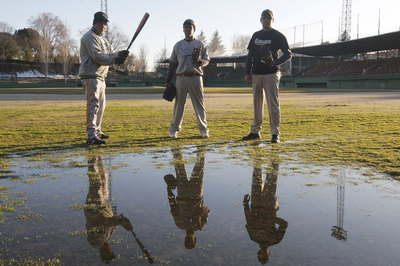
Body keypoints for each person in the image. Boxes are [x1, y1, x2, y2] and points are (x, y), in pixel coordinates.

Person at [79, 11, 129, 145]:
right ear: (95, 23)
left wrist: (120, 54)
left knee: (101, 106)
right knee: (93, 105)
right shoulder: (89, 37)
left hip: (101, 76)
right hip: (91, 75)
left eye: (105, 23)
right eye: (101, 23)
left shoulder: (103, 39)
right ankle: (91, 135)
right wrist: (115, 59)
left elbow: (111, 53)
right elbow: (97, 56)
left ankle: (97, 131)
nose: (103, 26)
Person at [242, 9, 292, 143]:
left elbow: (288, 54)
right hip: (257, 74)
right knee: (257, 104)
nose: (266, 20)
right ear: (260, 20)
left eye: (269, 18)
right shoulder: (256, 35)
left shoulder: (277, 35)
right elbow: (250, 56)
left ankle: (275, 133)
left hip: (271, 73)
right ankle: (255, 132)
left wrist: (276, 62)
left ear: (272, 20)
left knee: (273, 104)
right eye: (264, 18)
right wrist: (247, 72)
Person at [84, 154, 133, 263]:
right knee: (104, 177)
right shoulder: (108, 237)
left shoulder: (95, 242)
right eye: (111, 253)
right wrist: (122, 220)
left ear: (102, 254)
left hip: (95, 207)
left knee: (96, 183)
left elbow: (102, 223)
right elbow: (112, 222)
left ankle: (92, 156)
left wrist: (120, 222)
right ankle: (98, 155)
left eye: (107, 254)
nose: (109, 251)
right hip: (104, 203)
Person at [166, 19, 210, 139]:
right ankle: (174, 129)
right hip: (181, 77)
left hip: (196, 77)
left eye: (189, 27)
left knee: (199, 105)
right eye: (185, 27)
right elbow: (172, 63)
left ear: (194, 29)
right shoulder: (178, 45)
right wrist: (168, 80)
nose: (187, 29)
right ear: (183, 29)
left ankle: (203, 129)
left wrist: (199, 61)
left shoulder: (200, 44)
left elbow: (207, 60)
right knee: (179, 105)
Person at [243, 155, 288, 264]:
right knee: (272, 178)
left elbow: (249, 220)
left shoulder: (253, 237)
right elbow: (284, 224)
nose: (262, 254)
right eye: (264, 256)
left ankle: (257, 152)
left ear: (258, 254)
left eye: (260, 256)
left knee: (256, 176)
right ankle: (275, 153)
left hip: (255, 203)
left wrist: (245, 204)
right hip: (269, 206)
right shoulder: (275, 240)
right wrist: (271, 220)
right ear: (268, 254)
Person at [164, 147, 210, 249]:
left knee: (179, 167)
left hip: (182, 193)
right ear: (195, 239)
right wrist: (198, 215)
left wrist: (169, 190)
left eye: (187, 241)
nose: (189, 239)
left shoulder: (180, 224)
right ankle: (202, 147)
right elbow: (206, 209)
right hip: (196, 193)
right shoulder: (200, 225)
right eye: (191, 241)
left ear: (184, 239)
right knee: (199, 167)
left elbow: (173, 206)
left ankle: (175, 147)